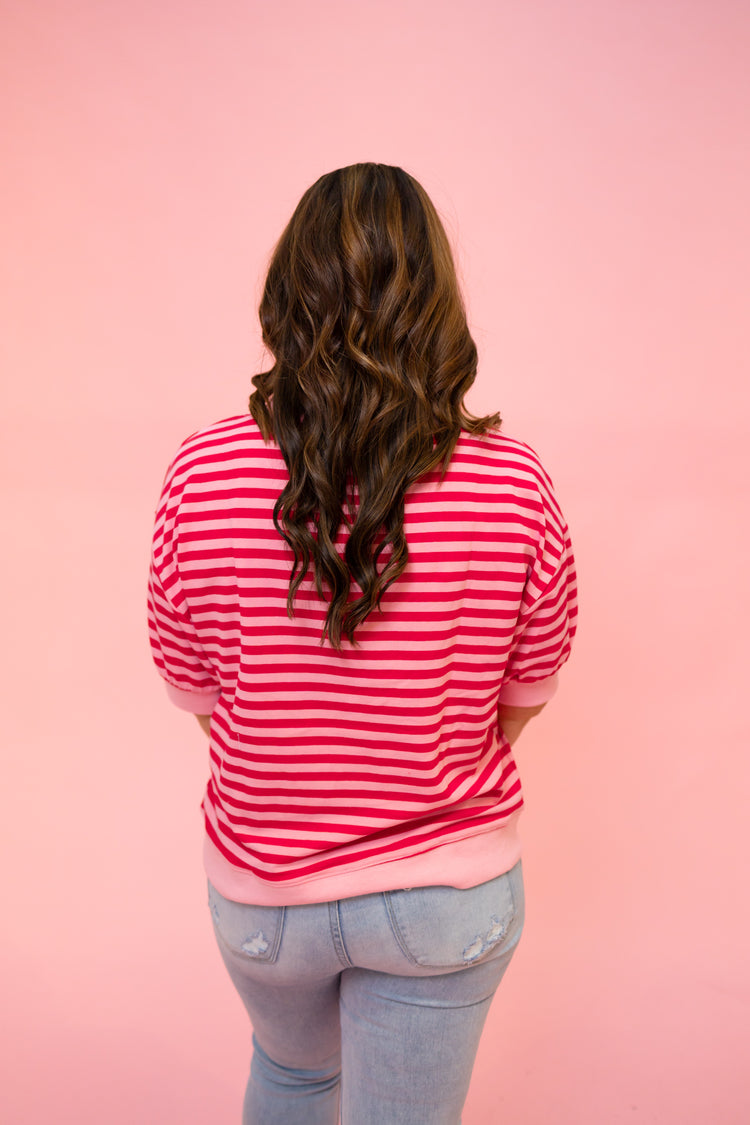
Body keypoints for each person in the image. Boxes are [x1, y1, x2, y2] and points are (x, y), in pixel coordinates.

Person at [147, 162, 577, 1125]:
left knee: (293, 1076)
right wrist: (430, 743)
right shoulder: (511, 481)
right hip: (444, 892)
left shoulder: (203, 468)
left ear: (287, 291)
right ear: (436, 301)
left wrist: (293, 737)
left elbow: (195, 684)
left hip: (264, 891)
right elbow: (530, 683)